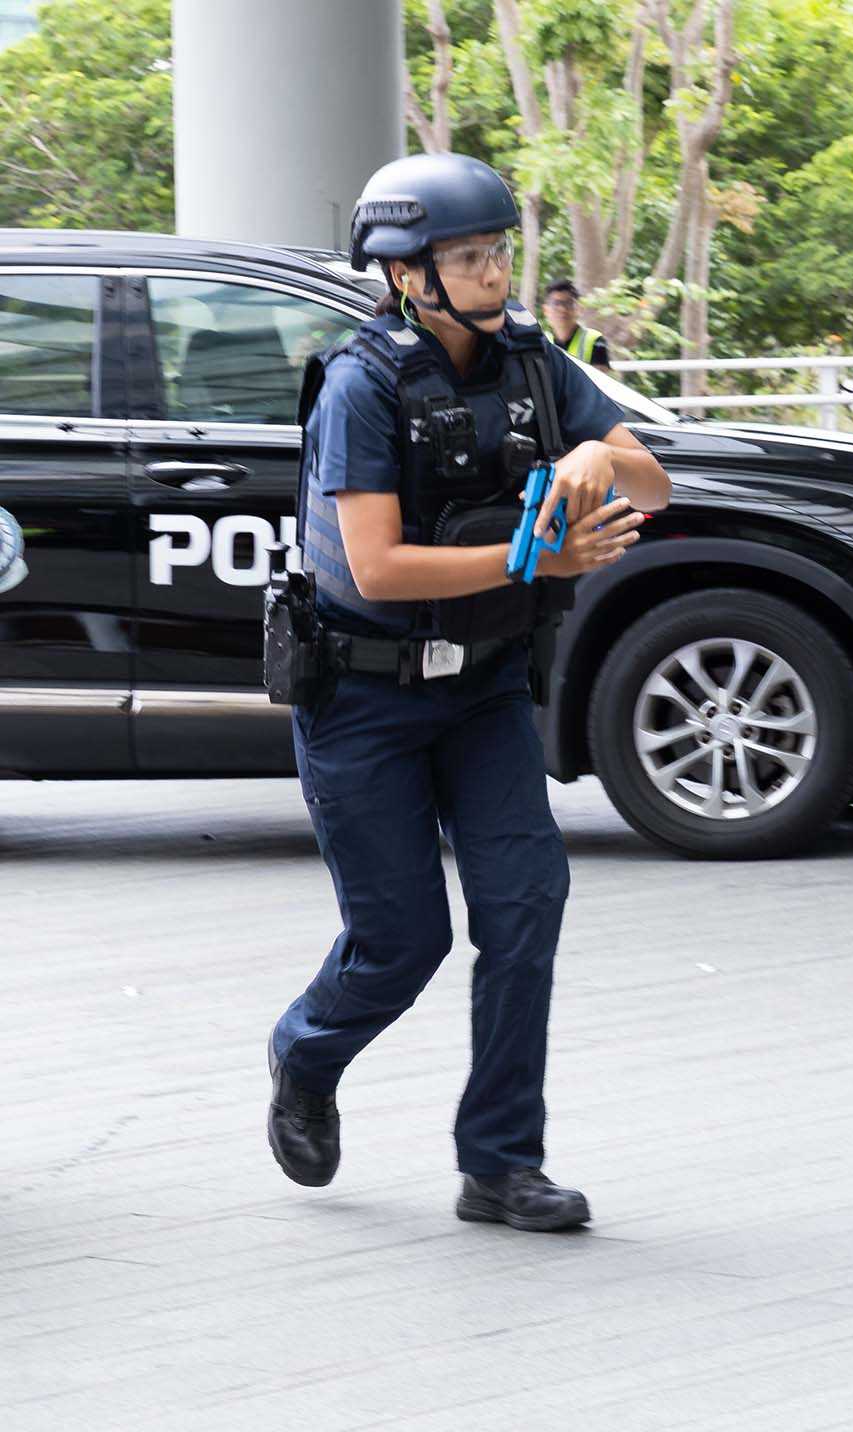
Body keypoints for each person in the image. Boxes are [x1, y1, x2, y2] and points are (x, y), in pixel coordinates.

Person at [264, 153, 672, 1231]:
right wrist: (538, 561)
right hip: (363, 699)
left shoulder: (533, 363)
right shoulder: (361, 386)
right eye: (467, 257)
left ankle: (499, 1163)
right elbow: (377, 568)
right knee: (402, 943)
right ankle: (304, 1053)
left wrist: (597, 457)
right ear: (407, 275)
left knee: (525, 908)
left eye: (497, 251)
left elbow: (655, 481)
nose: (493, 272)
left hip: (484, 687)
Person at [540, 279, 613, 374]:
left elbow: (600, 379)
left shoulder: (595, 340)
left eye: (569, 303)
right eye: (556, 304)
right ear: (546, 310)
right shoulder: (540, 343)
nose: (562, 309)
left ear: (579, 309)